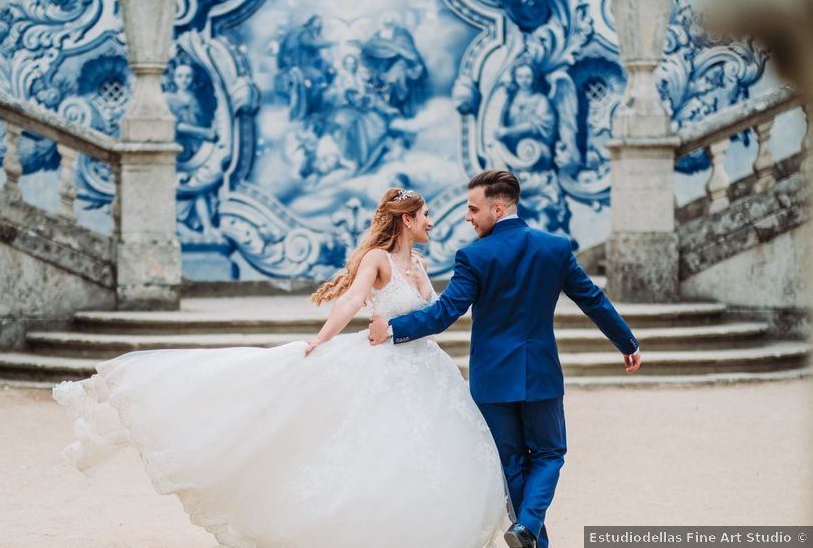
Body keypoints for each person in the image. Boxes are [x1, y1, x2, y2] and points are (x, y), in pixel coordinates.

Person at [53, 188, 514, 548]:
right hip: (385, 366)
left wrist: (420, 312)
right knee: (371, 449)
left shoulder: (420, 264)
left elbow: (432, 319)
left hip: (424, 369)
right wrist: (321, 339)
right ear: (407, 220)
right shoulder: (377, 260)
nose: (432, 222)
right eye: (426, 215)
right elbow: (353, 301)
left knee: (423, 452)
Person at [368, 170, 642, 548]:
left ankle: (529, 532)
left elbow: (445, 312)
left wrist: (394, 328)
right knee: (549, 453)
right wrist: (626, 341)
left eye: (473, 209)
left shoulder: (474, 256)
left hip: (492, 379)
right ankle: (528, 527)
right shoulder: (555, 248)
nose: (468, 216)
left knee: (511, 464)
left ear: (497, 209)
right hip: (541, 373)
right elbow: (591, 299)